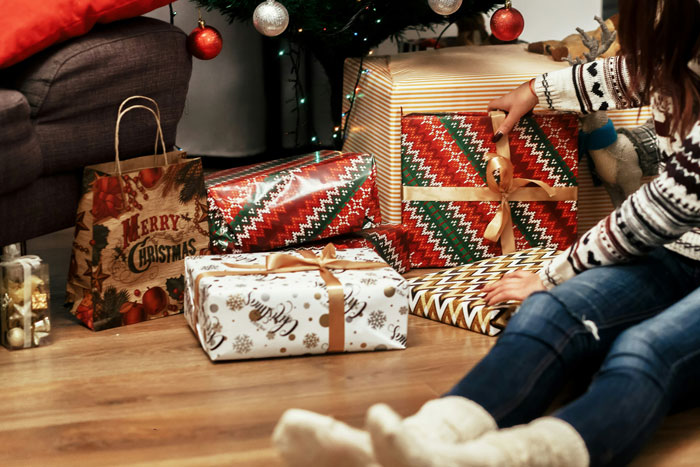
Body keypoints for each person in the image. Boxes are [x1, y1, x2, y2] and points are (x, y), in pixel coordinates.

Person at [271, 0, 700, 465]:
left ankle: (510, 458)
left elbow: (658, 211)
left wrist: (557, 271)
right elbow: (625, 74)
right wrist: (538, 89)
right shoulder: (678, 59)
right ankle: (421, 438)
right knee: (549, 314)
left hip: (668, 234)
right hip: (678, 253)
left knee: (644, 350)